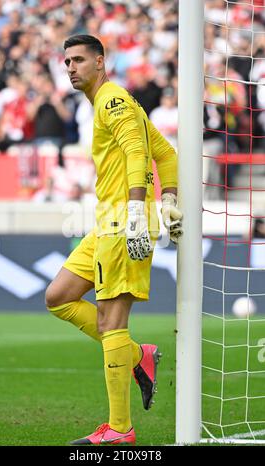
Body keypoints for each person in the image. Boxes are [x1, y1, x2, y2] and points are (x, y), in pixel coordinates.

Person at [45, 34, 183, 446]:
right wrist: (170, 198)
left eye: (79, 60)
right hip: (108, 220)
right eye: (67, 61)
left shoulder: (111, 100)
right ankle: (137, 354)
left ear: (101, 62)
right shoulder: (112, 103)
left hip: (124, 219)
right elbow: (168, 155)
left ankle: (120, 429)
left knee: (110, 322)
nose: (71, 67)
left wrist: (141, 211)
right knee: (60, 296)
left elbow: (139, 152)